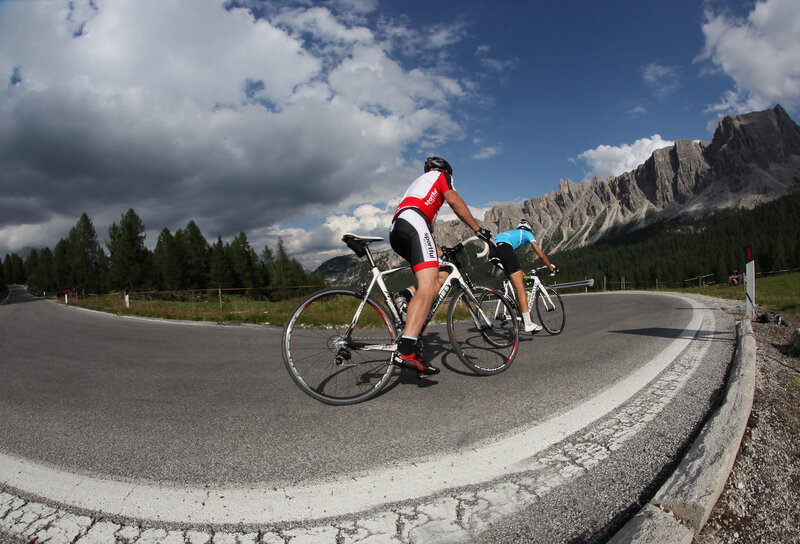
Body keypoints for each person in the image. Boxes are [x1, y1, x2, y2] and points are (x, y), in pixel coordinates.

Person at [389, 156, 493, 375]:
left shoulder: (420, 186)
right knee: (427, 286)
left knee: (439, 275)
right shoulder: (440, 176)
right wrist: (477, 229)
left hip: (400, 228)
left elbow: (426, 241)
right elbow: (454, 201)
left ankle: (404, 294)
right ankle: (406, 350)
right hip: (413, 222)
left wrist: (442, 254)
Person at [491, 218, 556, 333]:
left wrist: (524, 275)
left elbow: (516, 269)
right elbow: (540, 254)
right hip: (505, 249)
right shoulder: (527, 234)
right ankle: (528, 323)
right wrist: (551, 267)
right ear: (529, 229)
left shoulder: (512, 234)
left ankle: (516, 310)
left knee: (516, 278)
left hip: (493, 251)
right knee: (521, 288)